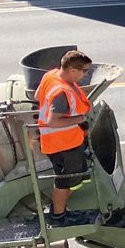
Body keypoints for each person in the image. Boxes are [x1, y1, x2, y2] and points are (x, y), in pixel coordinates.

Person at [34, 49, 94, 226]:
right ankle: (59, 216)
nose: (86, 74)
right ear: (72, 71)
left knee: (74, 179)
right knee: (65, 183)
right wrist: (80, 119)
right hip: (62, 145)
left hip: (65, 143)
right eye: (84, 71)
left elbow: (38, 96)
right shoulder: (61, 92)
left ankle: (58, 210)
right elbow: (53, 121)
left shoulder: (51, 75)